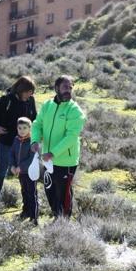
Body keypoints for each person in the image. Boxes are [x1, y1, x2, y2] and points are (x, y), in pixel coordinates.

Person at [31, 76, 85, 219]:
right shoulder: (47, 105)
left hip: (66, 161)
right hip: (48, 161)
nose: (68, 91)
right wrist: (35, 140)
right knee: (50, 190)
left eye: (70, 88)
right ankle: (57, 217)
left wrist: (53, 153)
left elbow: (71, 137)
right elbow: (37, 124)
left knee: (63, 194)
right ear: (56, 89)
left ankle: (64, 223)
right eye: (65, 87)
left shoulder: (75, 111)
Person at [0, 76, 38, 200]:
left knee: (24, 172)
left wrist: (35, 133)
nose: (31, 95)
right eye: (29, 92)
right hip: (5, 142)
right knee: (2, 170)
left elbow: (34, 117)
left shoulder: (30, 100)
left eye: (32, 93)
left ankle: (28, 201)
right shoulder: (6, 100)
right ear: (21, 90)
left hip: (24, 142)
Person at [10, 117, 38, 224]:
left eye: (25, 128)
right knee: (24, 191)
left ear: (30, 129)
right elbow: (11, 153)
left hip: (31, 172)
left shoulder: (32, 141)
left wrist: (20, 166)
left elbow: (31, 157)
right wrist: (12, 165)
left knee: (32, 193)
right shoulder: (16, 139)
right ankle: (25, 211)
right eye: (19, 128)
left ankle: (34, 217)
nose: (22, 130)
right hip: (21, 173)